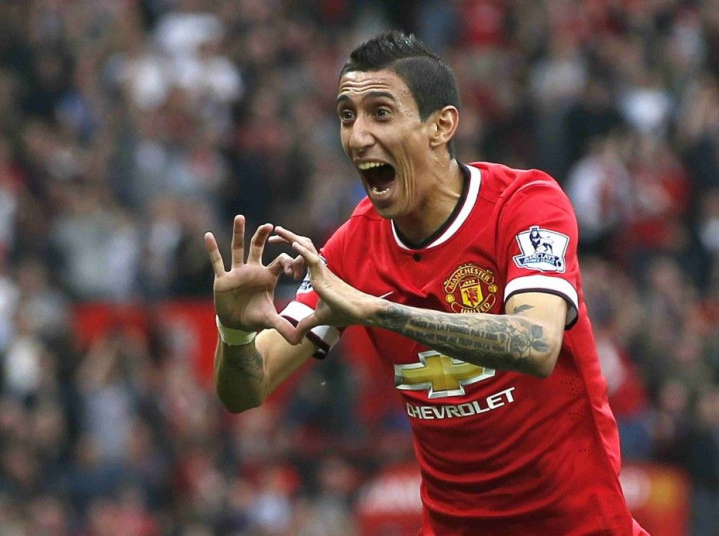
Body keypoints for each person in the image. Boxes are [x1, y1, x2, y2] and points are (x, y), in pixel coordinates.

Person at [204, 30, 650, 536]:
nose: (357, 135)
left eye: (380, 112)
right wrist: (236, 334)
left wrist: (377, 311)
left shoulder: (525, 205)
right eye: (347, 115)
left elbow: (537, 343)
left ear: (441, 126)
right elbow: (247, 388)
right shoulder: (353, 248)